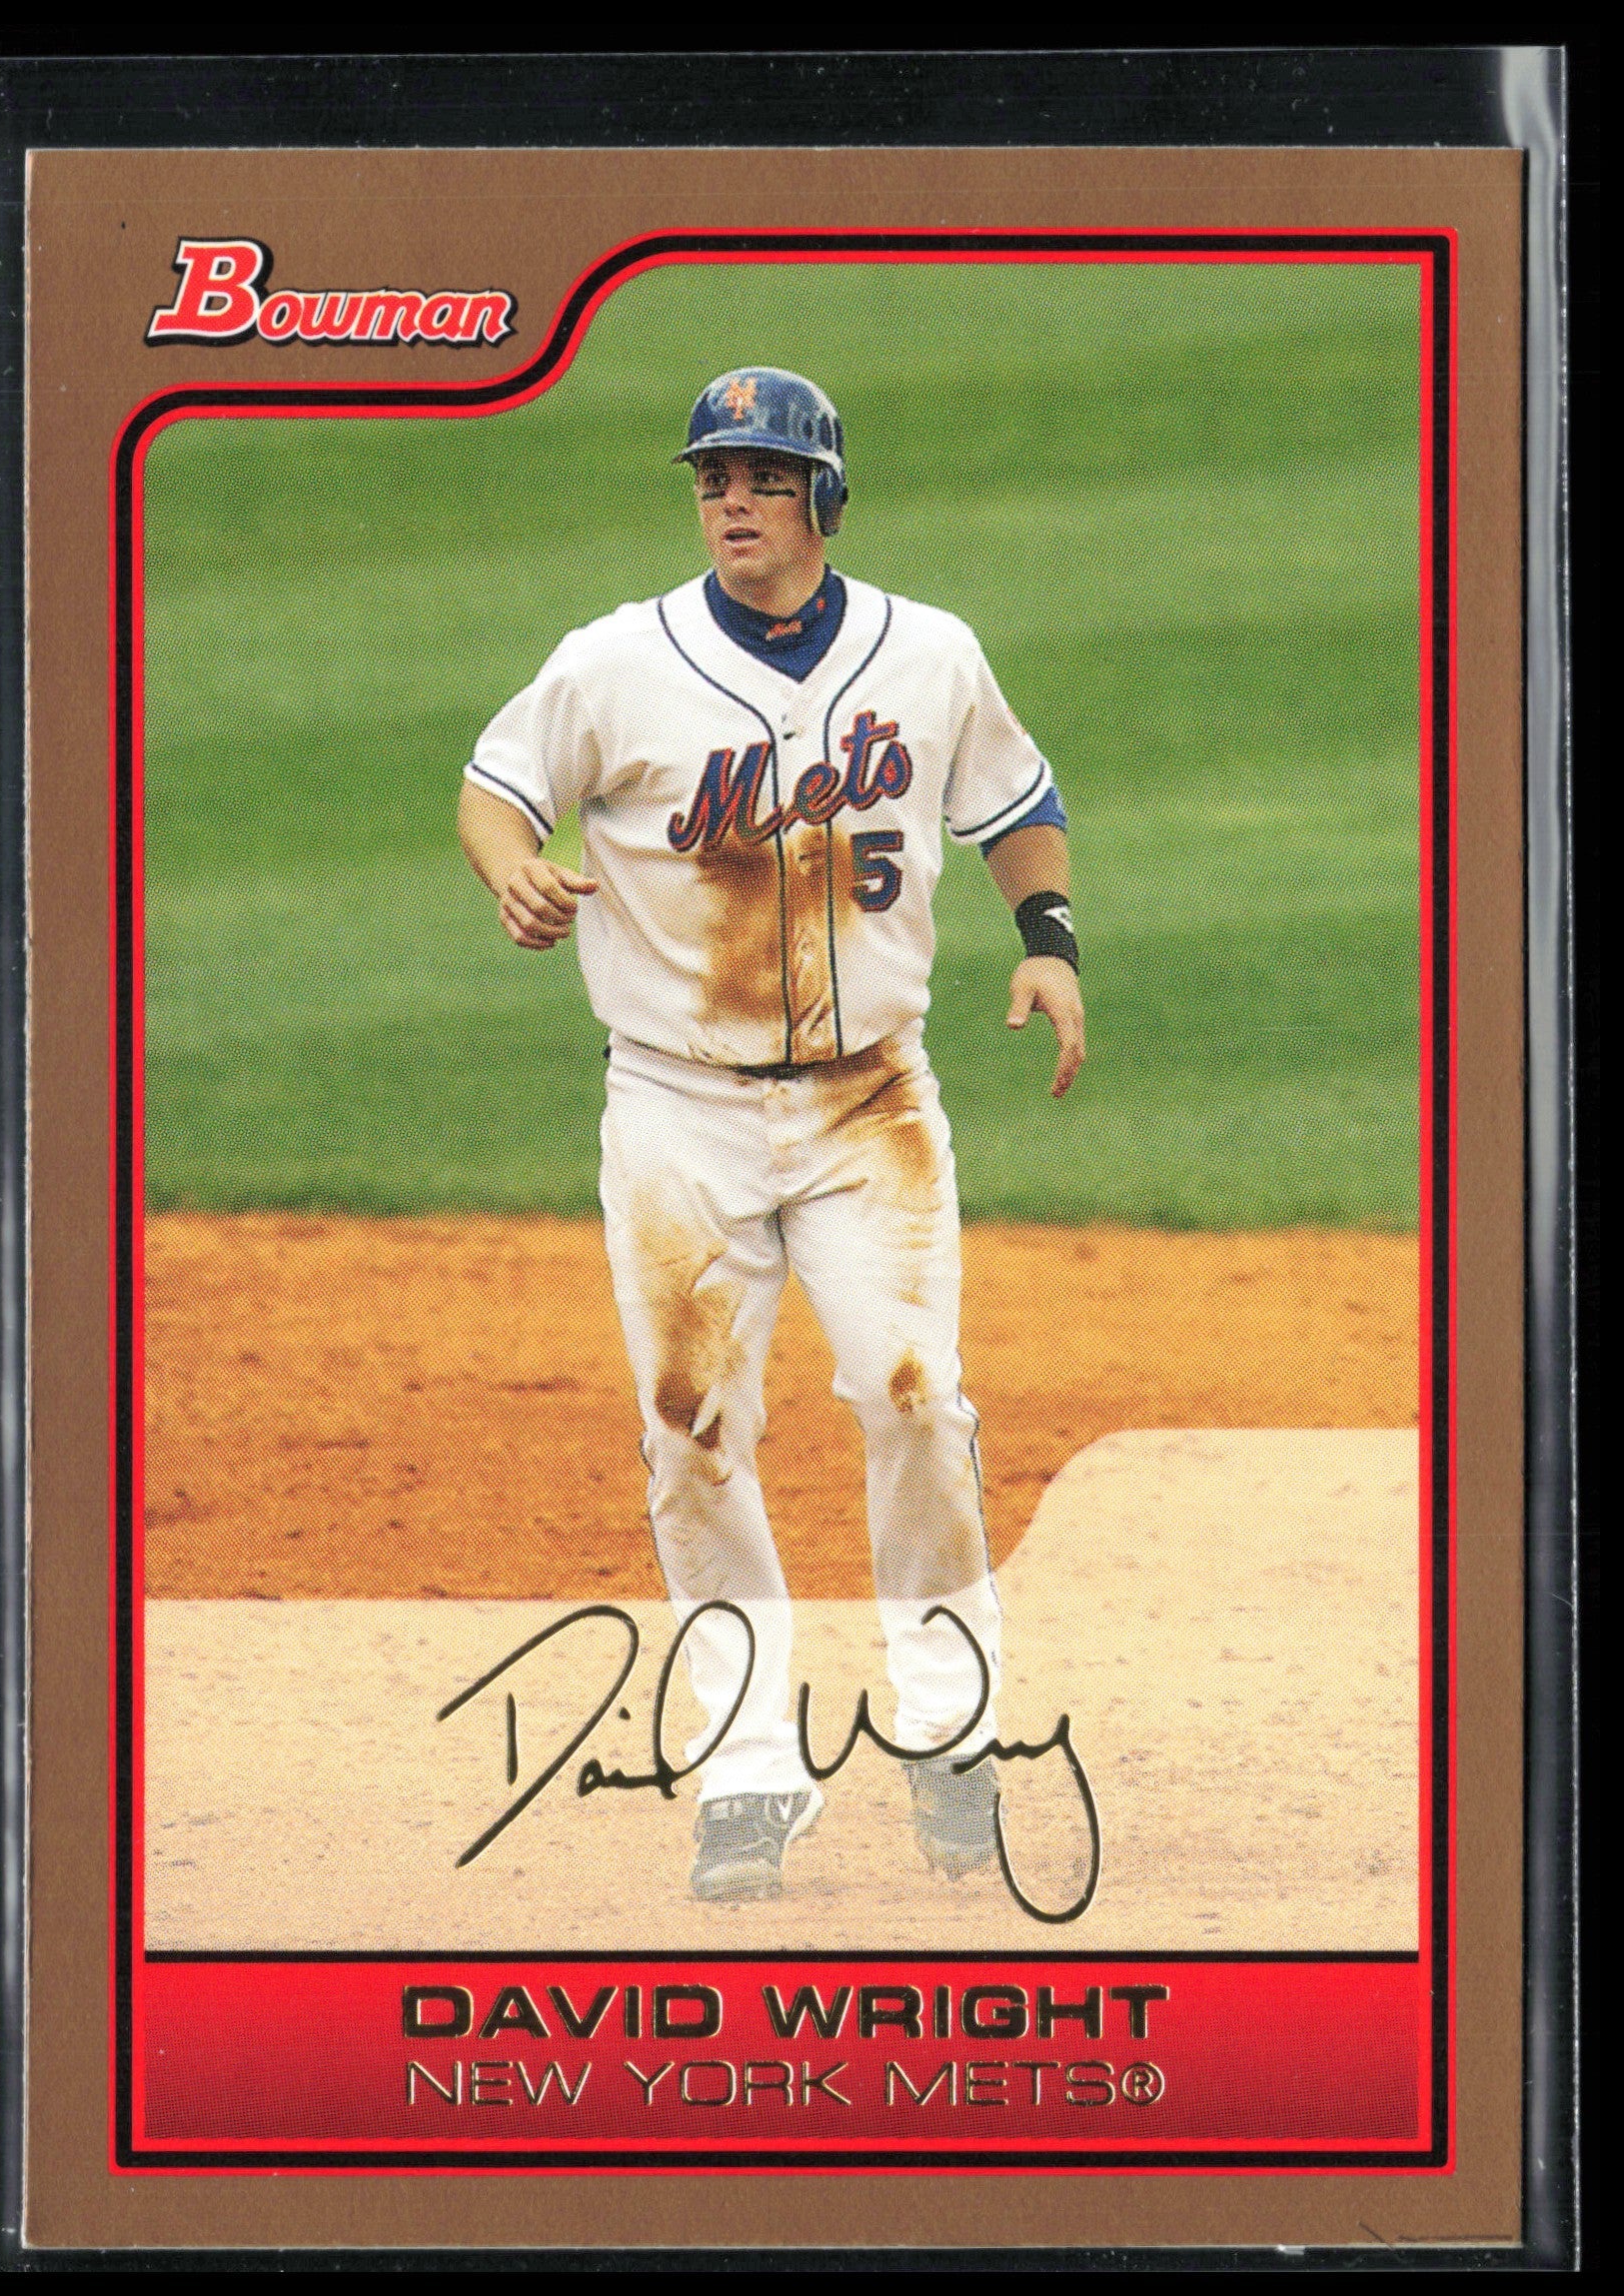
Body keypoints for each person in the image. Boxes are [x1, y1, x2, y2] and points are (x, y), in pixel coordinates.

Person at [458, 367, 1084, 1902]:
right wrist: (510, 867)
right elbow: (495, 788)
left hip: (874, 1100)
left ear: (824, 495)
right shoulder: (616, 663)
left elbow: (1015, 801)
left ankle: (950, 1727)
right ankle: (746, 1765)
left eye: (762, 475)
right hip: (679, 1110)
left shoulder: (928, 654)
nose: (732, 499)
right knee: (692, 1432)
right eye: (712, 477)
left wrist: (1051, 942)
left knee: (915, 1398)